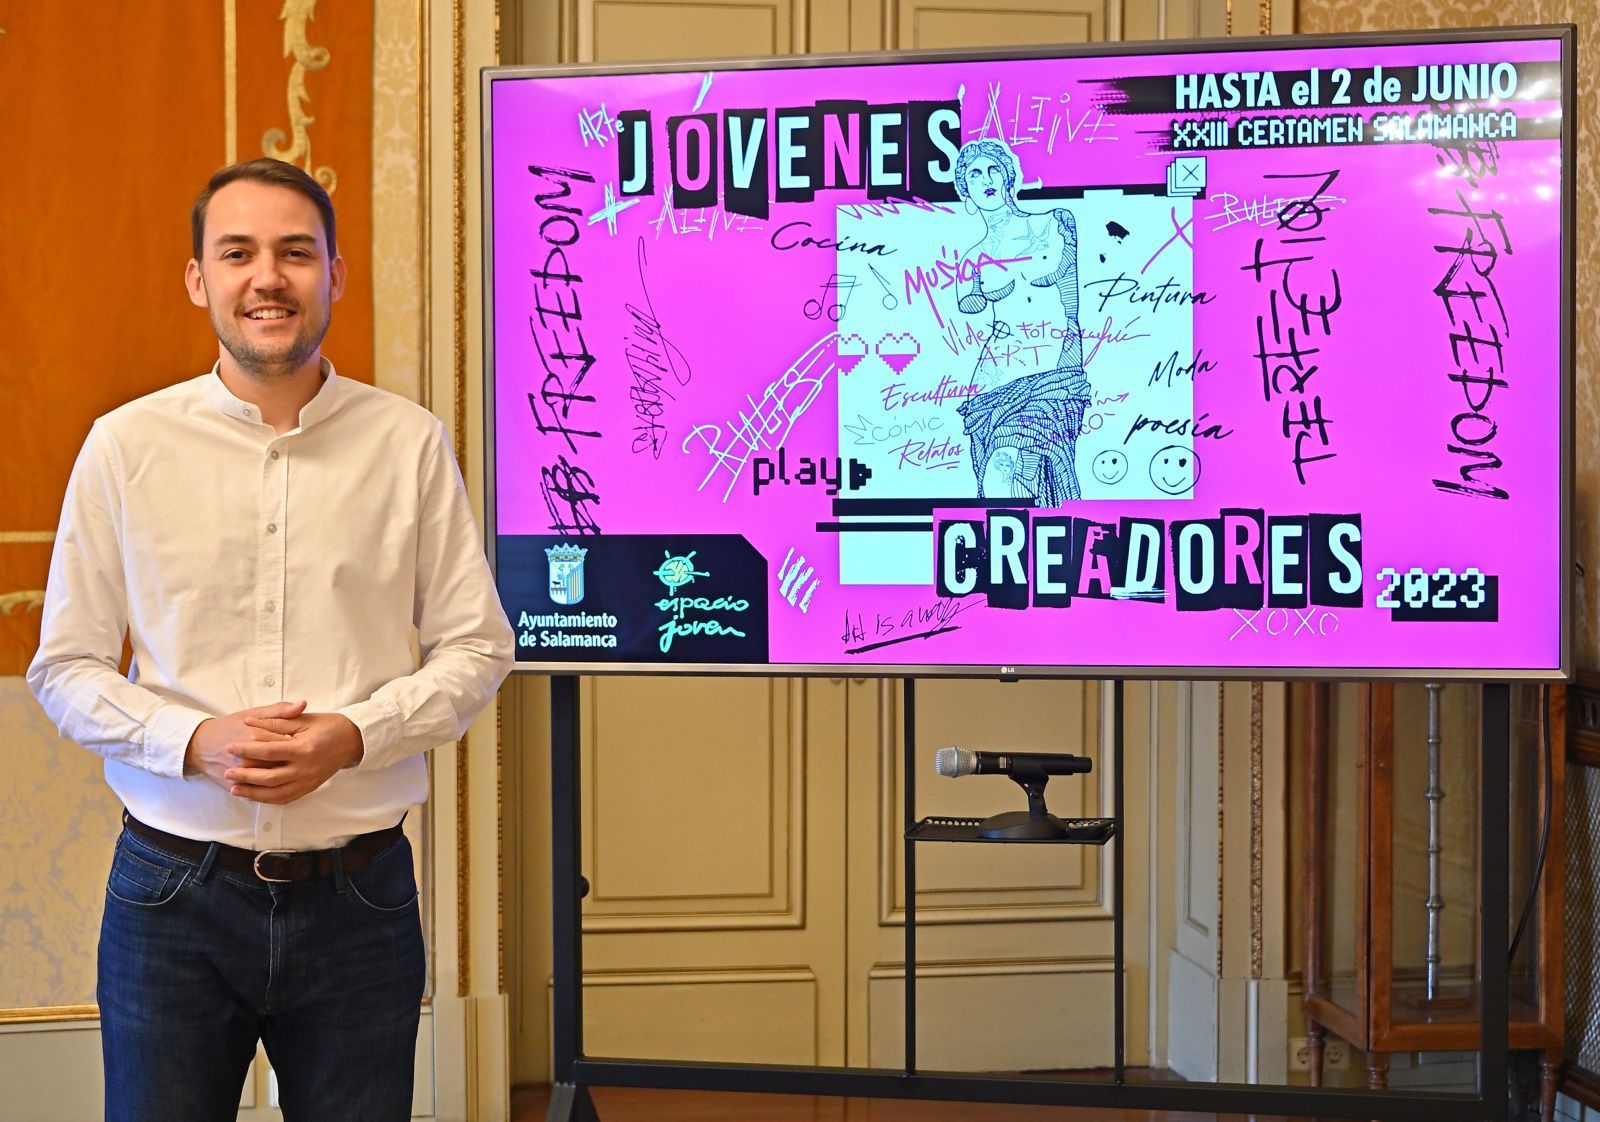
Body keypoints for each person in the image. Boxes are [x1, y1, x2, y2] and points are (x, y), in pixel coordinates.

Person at [26, 158, 514, 1122]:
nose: (268, 278)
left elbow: (476, 646)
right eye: (238, 253)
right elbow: (66, 667)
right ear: (199, 280)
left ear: (336, 273)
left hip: (361, 895)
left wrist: (355, 735)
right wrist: (193, 743)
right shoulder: (125, 446)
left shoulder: (408, 443)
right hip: (172, 893)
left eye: (296, 253)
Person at [951, 138, 1092, 506]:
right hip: (993, 381)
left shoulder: (1054, 224)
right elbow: (968, 303)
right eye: (975, 174)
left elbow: (1070, 305)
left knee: (1012, 469)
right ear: (966, 192)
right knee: (1004, 484)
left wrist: (1068, 371)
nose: (987, 179)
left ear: (1009, 175)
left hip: (1052, 375)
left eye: (994, 169)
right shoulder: (972, 258)